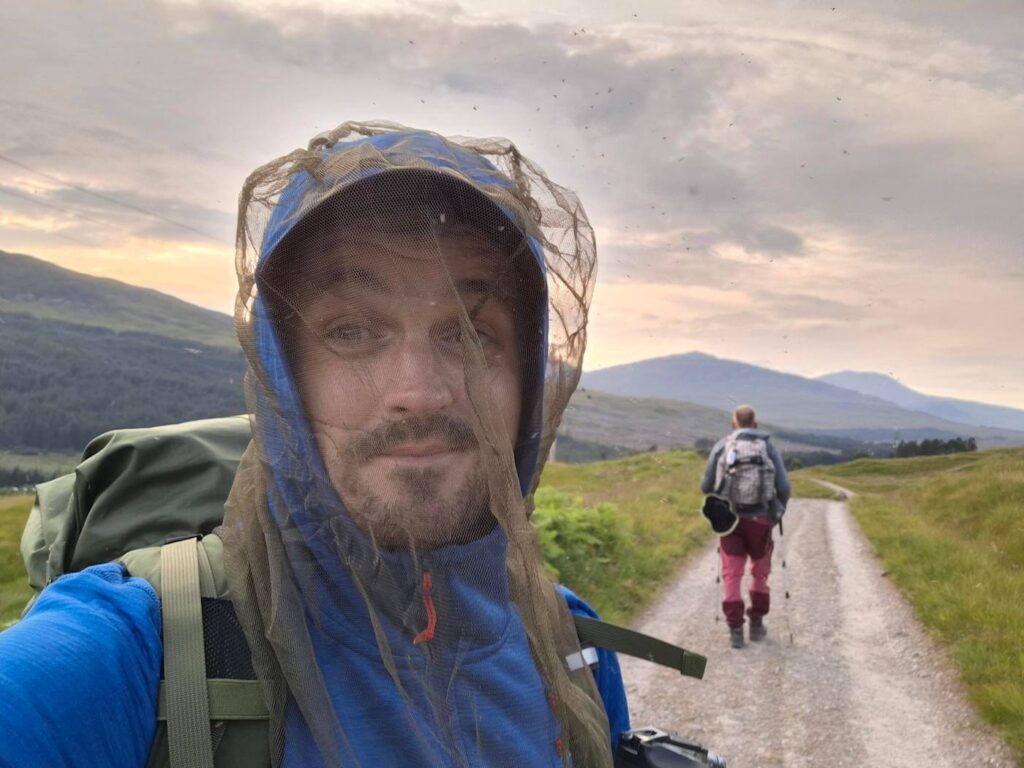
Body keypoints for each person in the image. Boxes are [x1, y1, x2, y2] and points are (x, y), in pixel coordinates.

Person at [0, 121, 629, 767]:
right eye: (352, 331)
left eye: (471, 333)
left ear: (526, 380)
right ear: (283, 378)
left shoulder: (565, 642)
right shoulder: (131, 651)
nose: (420, 391)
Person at [700, 404, 790, 649]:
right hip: (760, 520)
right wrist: (776, 512)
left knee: (731, 574)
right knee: (760, 573)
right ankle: (757, 623)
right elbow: (783, 487)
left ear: (733, 424)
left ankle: (735, 630)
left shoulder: (722, 446)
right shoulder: (768, 448)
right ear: (756, 425)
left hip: (729, 521)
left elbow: (706, 486)